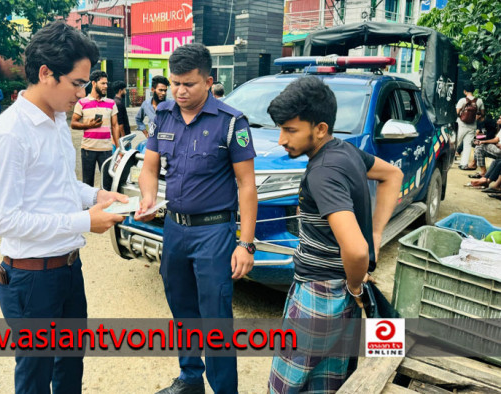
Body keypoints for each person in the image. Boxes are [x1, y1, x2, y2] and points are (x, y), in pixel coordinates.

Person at [0, 21, 127, 394]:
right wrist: (83, 220)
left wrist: (97, 197)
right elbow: (4, 220)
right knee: (35, 377)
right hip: (31, 279)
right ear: (46, 73)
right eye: (77, 83)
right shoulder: (10, 133)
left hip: (67, 268)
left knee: (69, 367)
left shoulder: (59, 119)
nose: (83, 92)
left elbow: (60, 185)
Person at [266, 76, 403, 393]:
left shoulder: (323, 170)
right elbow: (391, 175)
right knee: (325, 382)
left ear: (320, 128)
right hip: (338, 294)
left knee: (285, 384)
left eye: (290, 130)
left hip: (320, 292)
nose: (281, 139)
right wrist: (376, 235)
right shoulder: (346, 151)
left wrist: (356, 282)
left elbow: (355, 251)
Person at [135, 43, 258, 394]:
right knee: (181, 306)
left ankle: (223, 389)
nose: (180, 91)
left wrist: (245, 244)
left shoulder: (232, 122)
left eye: (188, 83)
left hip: (214, 232)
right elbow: (150, 166)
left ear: (208, 80)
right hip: (175, 228)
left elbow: (247, 186)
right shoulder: (165, 114)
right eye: (174, 83)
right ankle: (190, 378)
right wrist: (147, 197)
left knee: (216, 318)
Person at [71, 70, 120, 187]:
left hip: (106, 150)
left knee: (107, 183)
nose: (106, 86)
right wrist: (89, 125)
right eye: (103, 83)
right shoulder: (82, 103)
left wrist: (118, 148)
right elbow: (73, 123)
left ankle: (106, 205)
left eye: (107, 83)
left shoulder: (111, 103)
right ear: (93, 83)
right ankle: (89, 206)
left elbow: (115, 126)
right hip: (88, 149)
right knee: (87, 183)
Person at [456, 82, 484, 170]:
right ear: (473, 91)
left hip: (461, 125)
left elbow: (457, 112)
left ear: (465, 91)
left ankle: (450, 160)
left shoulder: (462, 100)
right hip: (472, 126)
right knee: (467, 145)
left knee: (455, 142)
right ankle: (463, 164)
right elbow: (482, 114)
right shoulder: (479, 101)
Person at [470, 113, 500, 177]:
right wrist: (479, 139)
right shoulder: (483, 123)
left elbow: (495, 140)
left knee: (479, 147)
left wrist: (483, 141)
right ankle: (483, 171)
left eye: (500, 118)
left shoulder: (488, 123)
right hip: (496, 147)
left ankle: (475, 165)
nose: (498, 120)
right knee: (479, 148)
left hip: (499, 149)